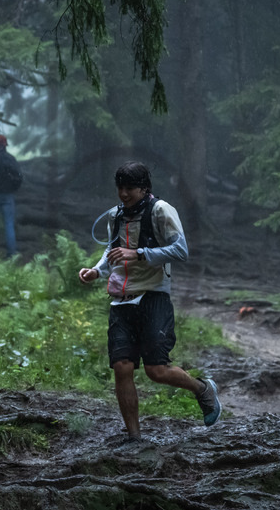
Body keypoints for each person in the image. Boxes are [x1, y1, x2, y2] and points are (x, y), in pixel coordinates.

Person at [78, 161, 221, 441]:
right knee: (122, 367)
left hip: (154, 296)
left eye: (129, 188)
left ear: (144, 188)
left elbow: (180, 251)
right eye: (120, 188)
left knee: (157, 371)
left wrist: (140, 254)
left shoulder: (162, 210)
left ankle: (202, 389)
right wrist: (96, 270)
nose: (123, 194)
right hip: (121, 300)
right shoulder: (115, 215)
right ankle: (134, 439)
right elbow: (112, 251)